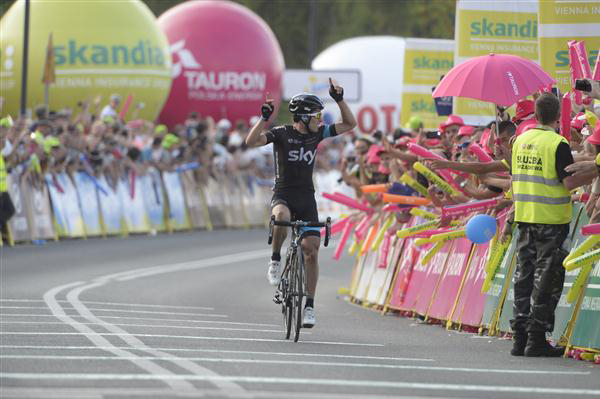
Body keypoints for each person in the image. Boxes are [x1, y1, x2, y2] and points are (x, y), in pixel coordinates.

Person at [245, 78, 356, 328]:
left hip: (306, 197)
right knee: (281, 216)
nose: (320, 120)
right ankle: (275, 259)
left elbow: (350, 123)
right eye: (316, 116)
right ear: (304, 117)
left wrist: (338, 99)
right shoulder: (282, 133)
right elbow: (251, 142)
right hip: (283, 192)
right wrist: (263, 119)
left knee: (311, 251)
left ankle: (309, 306)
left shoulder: (317, 134)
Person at [508, 93, 588, 357]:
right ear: (557, 117)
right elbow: (568, 183)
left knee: (524, 276)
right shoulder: (557, 143)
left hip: (525, 217)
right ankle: (536, 338)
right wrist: (593, 171)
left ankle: (519, 337)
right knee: (547, 280)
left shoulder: (520, 140)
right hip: (551, 221)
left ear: (535, 115)